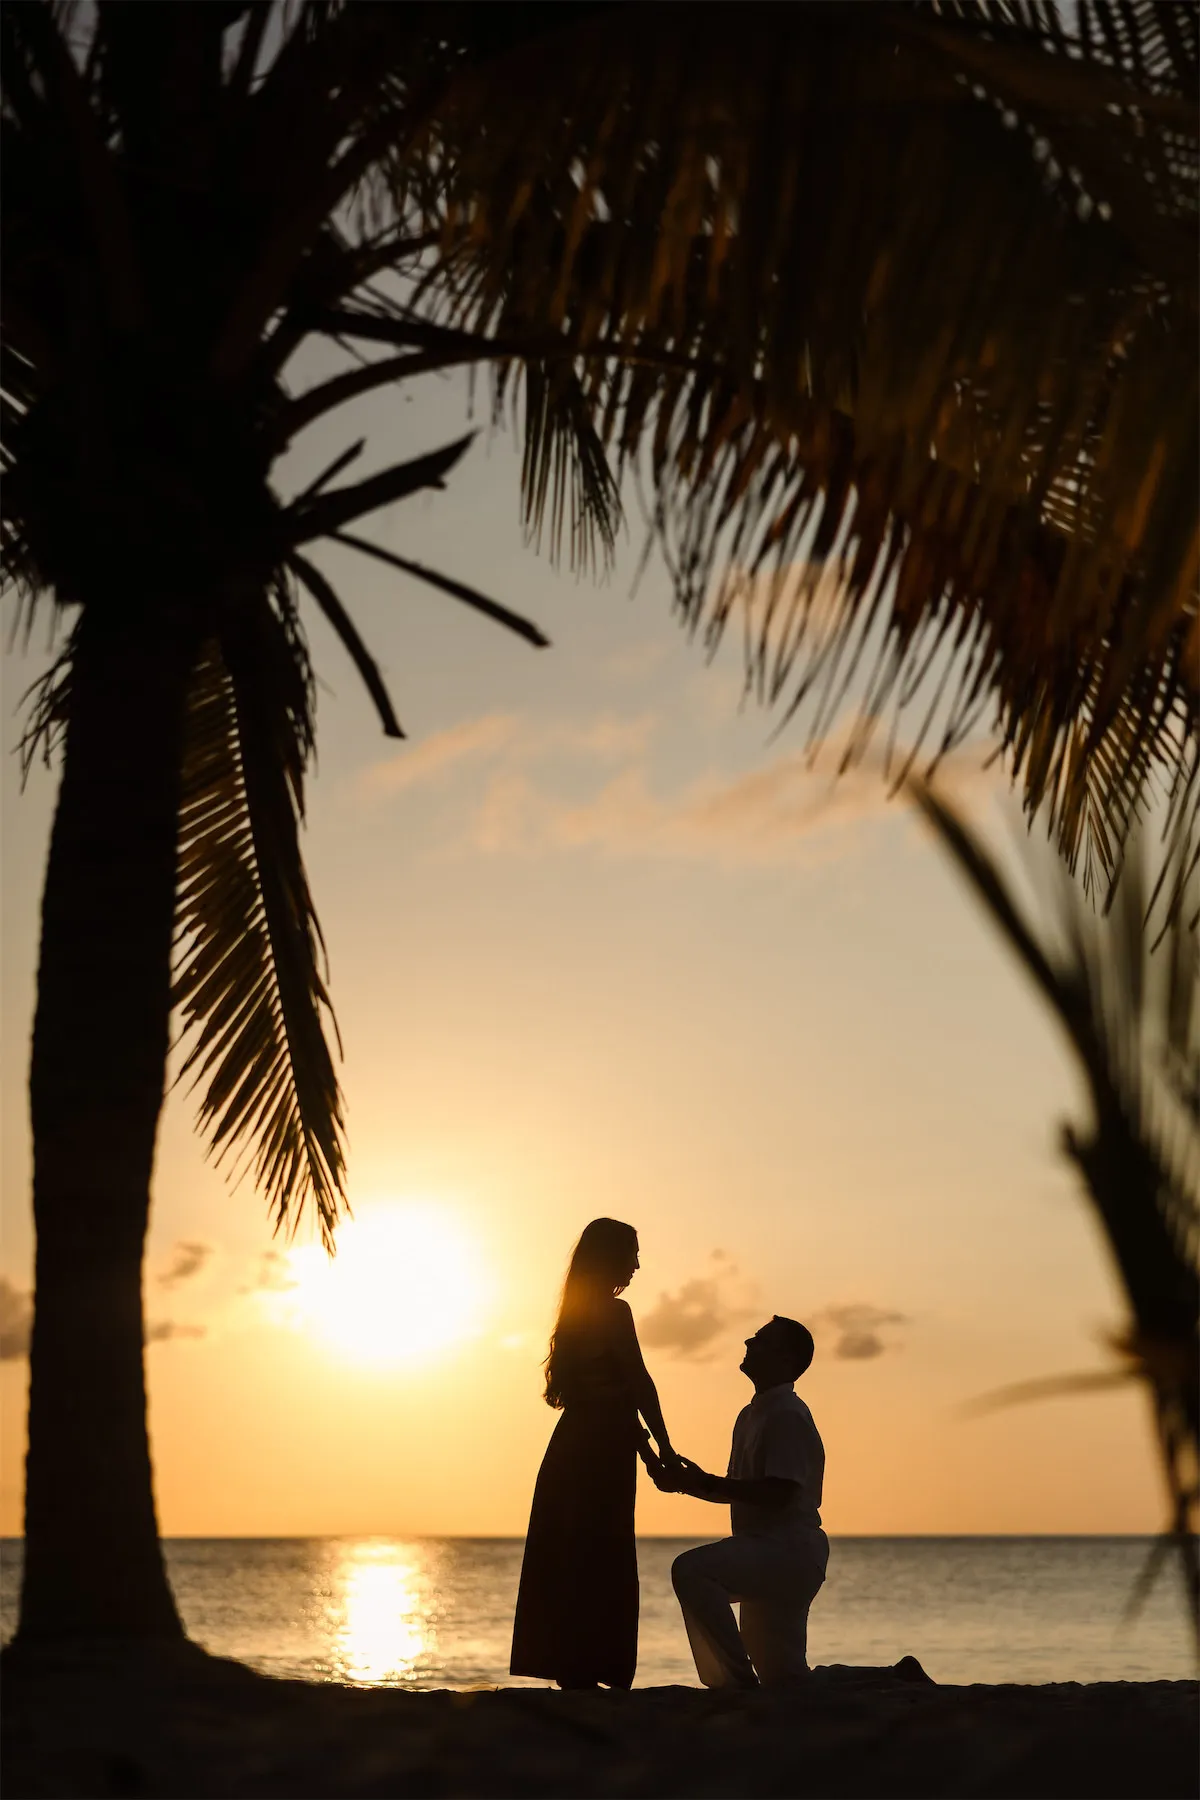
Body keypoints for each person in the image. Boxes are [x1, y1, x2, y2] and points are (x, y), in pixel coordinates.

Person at [510, 1218, 679, 1689]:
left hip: (576, 1443)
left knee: (573, 1551)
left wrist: (648, 1449)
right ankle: (599, 1666)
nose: (638, 1264)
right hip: (600, 1449)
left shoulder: (575, 1314)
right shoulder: (612, 1312)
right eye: (633, 1253)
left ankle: (573, 1667)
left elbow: (605, 1394)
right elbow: (638, 1382)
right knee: (603, 1550)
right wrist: (663, 1446)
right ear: (611, 1258)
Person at [658, 1315, 827, 1689]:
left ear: (785, 1360)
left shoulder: (788, 1415)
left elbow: (778, 1493)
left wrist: (701, 1482)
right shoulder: (751, 1415)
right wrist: (686, 1484)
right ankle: (893, 1677)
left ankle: (735, 1686)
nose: (749, 1343)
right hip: (768, 1552)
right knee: (786, 1679)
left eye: (761, 1340)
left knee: (692, 1570)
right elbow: (736, 1489)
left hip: (787, 1552)